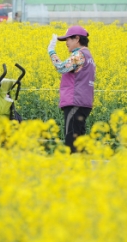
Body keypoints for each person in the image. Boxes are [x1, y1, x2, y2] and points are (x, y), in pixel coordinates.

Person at [47, 25, 96, 153]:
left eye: (68, 39)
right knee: (79, 139)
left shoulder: (79, 55)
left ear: (77, 39)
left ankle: (72, 169)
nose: (66, 43)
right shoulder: (89, 56)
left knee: (71, 139)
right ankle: (80, 169)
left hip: (75, 101)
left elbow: (61, 67)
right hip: (84, 102)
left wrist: (51, 51)